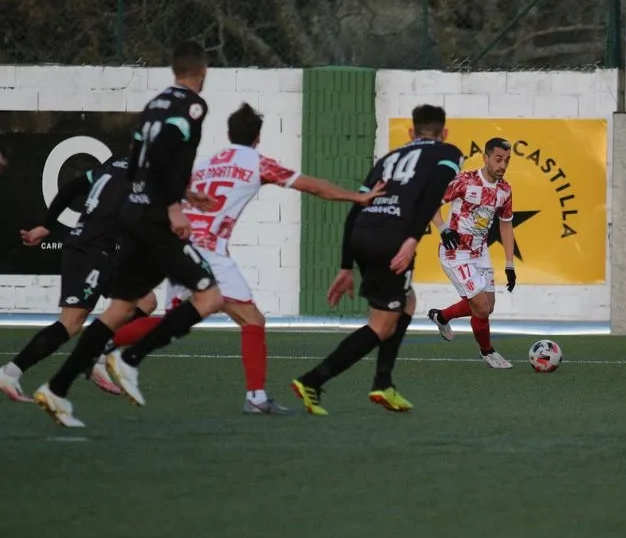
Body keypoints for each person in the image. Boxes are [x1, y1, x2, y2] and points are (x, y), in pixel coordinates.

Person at [107, 103, 386, 414]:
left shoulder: (206, 164)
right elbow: (314, 187)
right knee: (252, 320)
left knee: (177, 321)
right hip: (208, 251)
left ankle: (105, 341)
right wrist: (357, 196)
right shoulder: (257, 163)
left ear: (229, 134)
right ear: (258, 138)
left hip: (180, 244)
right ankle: (256, 397)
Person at [33, 40, 222, 428]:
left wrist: (182, 194)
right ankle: (130, 358)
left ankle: (57, 388)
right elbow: (165, 147)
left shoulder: (154, 105)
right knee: (209, 296)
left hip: (135, 215)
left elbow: (138, 160)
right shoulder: (193, 105)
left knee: (120, 308)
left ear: (174, 69)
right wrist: (173, 205)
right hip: (155, 220)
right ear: (202, 73)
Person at [291, 104, 464, 415]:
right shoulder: (448, 152)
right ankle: (313, 380)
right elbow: (433, 196)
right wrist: (412, 239)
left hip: (362, 233)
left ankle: (383, 382)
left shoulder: (388, 159)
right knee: (381, 326)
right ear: (445, 132)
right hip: (393, 238)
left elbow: (357, 205)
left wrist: (346, 265)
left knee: (407, 301)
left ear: (411, 132)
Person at [0, 157, 158, 403]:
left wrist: (47, 225)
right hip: (89, 250)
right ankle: (10, 373)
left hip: (103, 250)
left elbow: (71, 188)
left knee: (146, 301)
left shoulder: (114, 166)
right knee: (71, 322)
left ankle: (95, 356)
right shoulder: (147, 176)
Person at [426, 137, 517, 368]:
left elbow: (506, 225)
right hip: (455, 254)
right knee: (481, 308)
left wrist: (509, 263)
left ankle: (441, 316)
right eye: (498, 159)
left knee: (487, 306)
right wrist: (444, 229)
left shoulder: (504, 190)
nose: (503, 165)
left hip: (480, 254)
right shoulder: (465, 181)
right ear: (485, 158)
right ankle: (487, 352)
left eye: (507, 160)